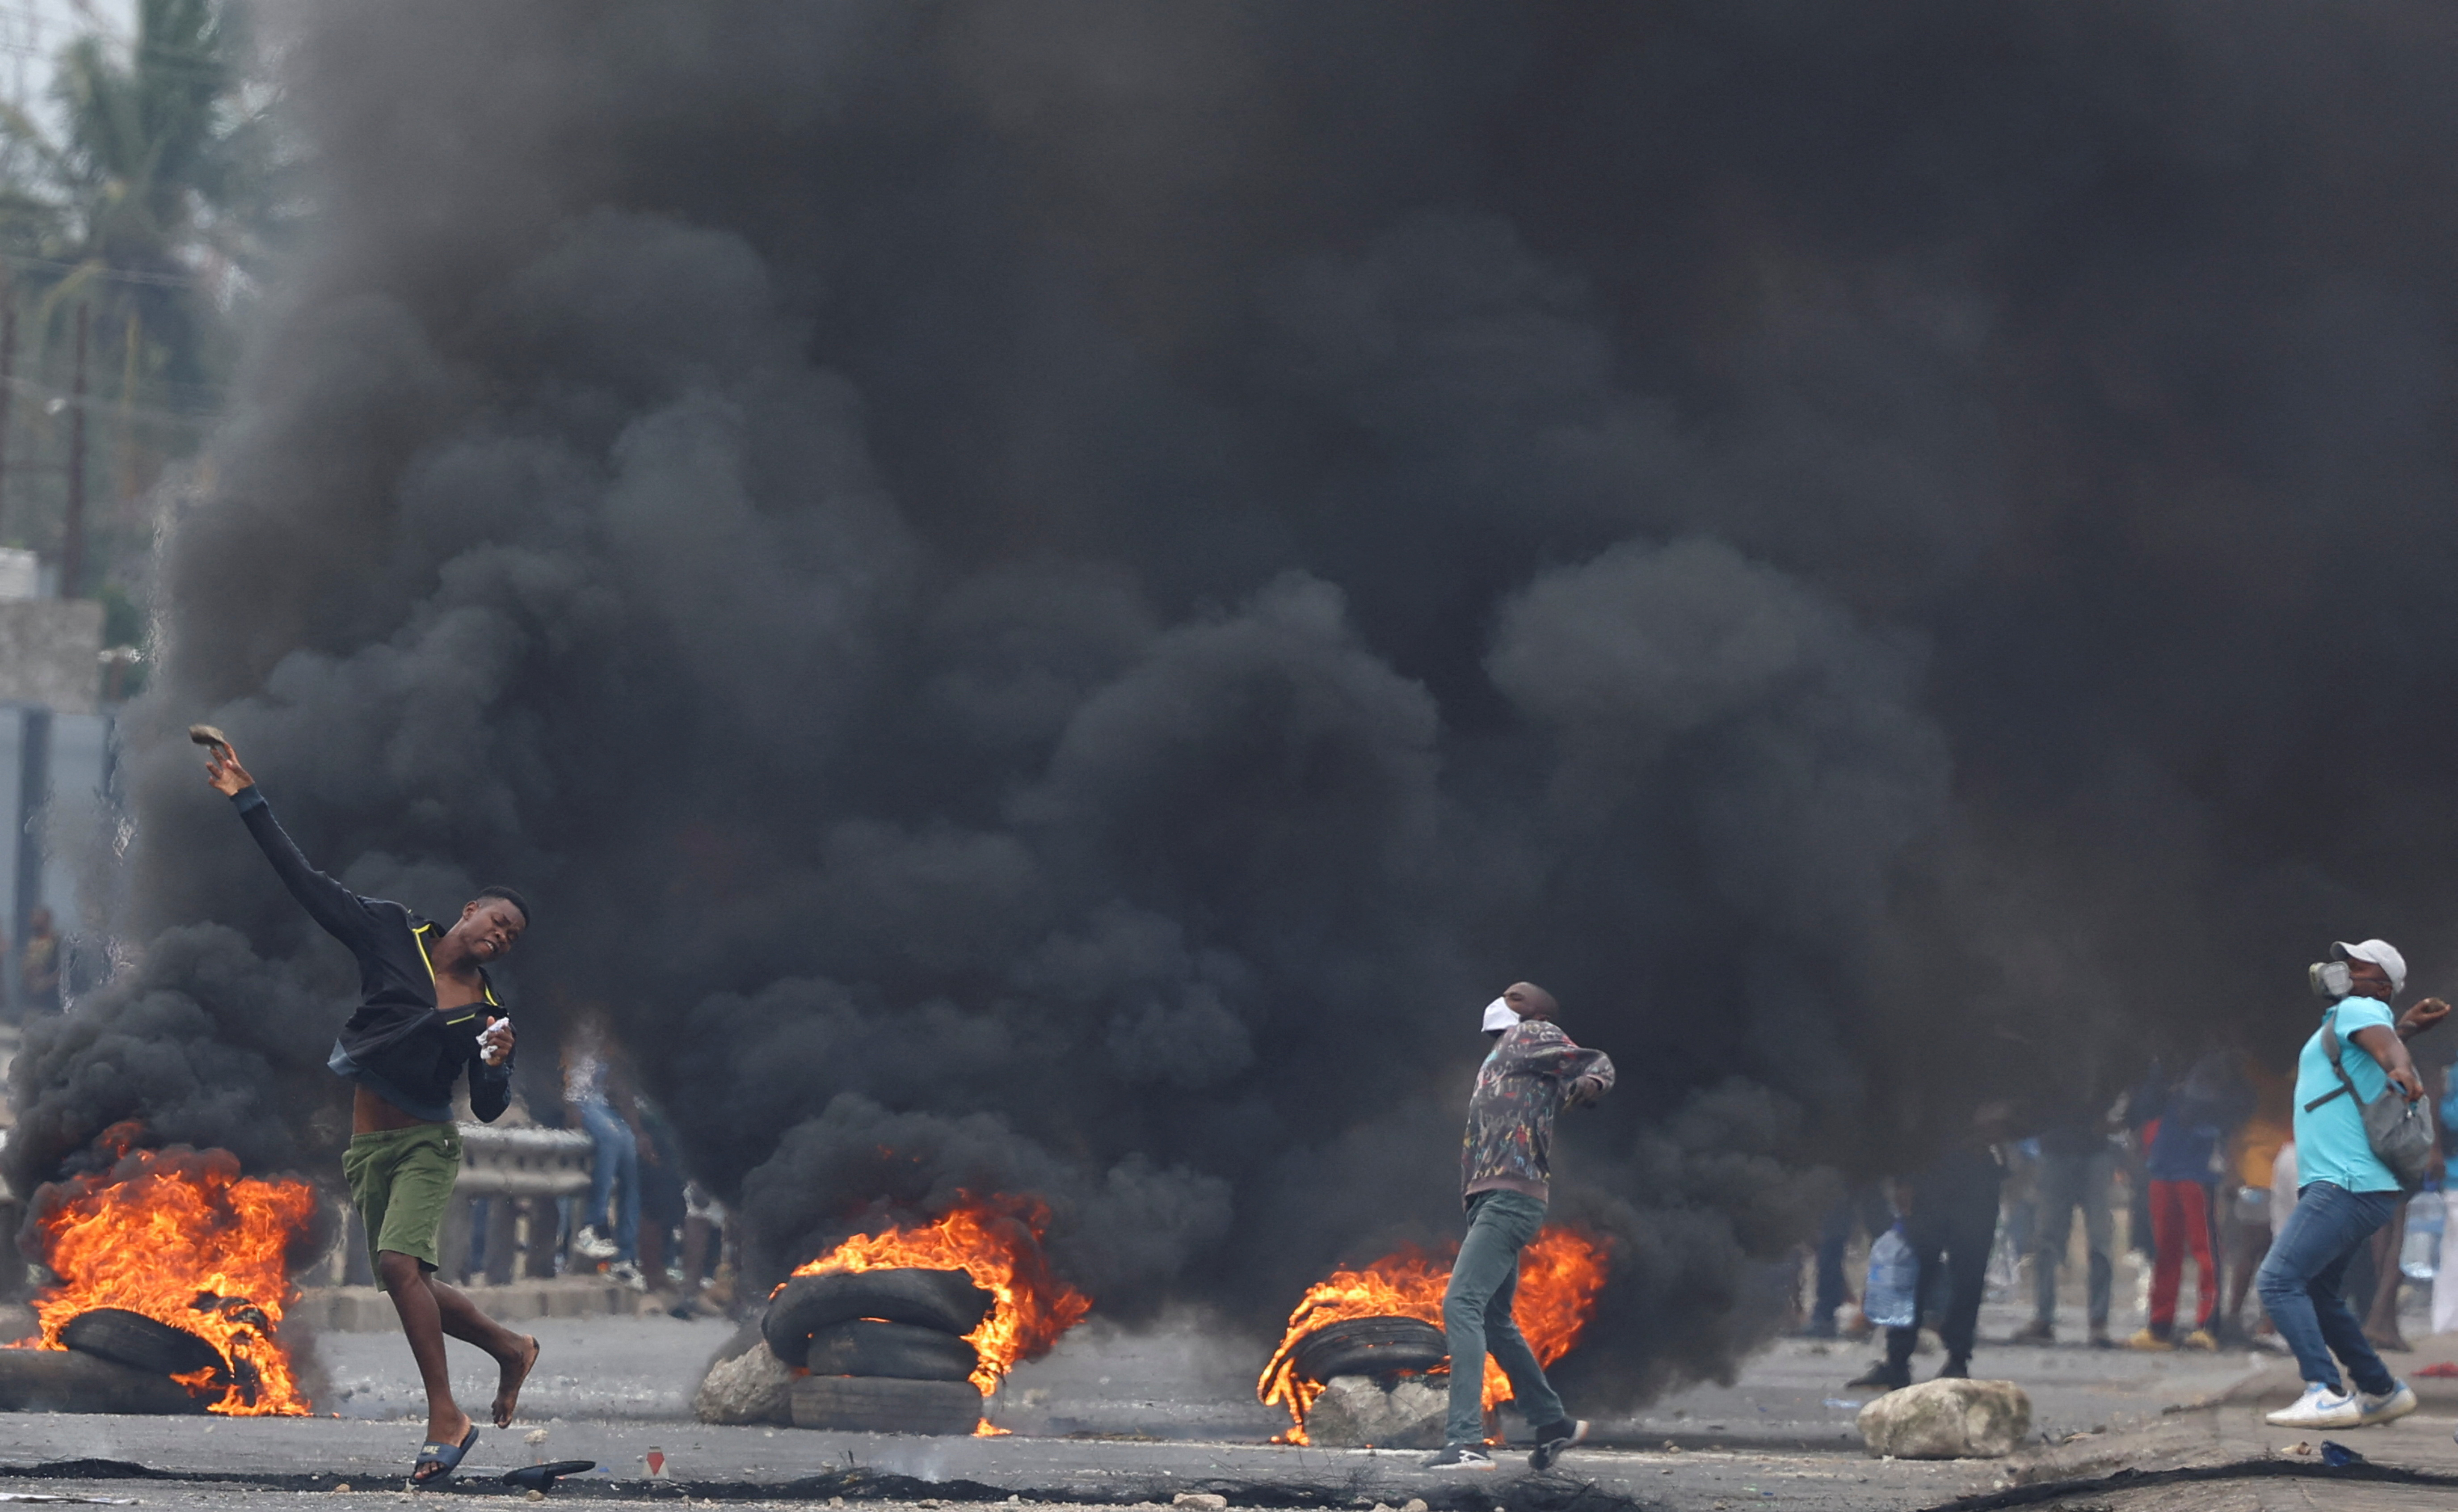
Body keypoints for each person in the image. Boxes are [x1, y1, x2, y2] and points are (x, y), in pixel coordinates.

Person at [206, 738, 541, 1484]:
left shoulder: (490, 1012)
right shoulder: (392, 932)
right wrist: (246, 798)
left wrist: (494, 1063)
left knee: (396, 1265)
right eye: (498, 921)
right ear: (470, 909)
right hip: (369, 1149)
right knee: (409, 1277)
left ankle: (445, 1415)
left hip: (426, 1145)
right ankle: (511, 1348)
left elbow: (488, 1107)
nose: (500, 936)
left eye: (512, 938)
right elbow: (308, 884)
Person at [1423, 981, 1613, 1474]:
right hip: (1493, 1198)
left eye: (1514, 994)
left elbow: (1595, 1062)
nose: (1500, 997)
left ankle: (1466, 1441)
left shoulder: (1529, 1036)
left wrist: (1590, 1084)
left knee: (1460, 1302)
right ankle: (1553, 1422)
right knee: (1492, 1317)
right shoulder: (1505, 1055)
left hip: (1509, 1199)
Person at [2256, 938, 2445, 1430]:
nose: (2340, 968)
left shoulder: (2358, 1008)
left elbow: (2382, 1046)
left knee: (2278, 1279)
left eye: (2355, 964)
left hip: (2343, 1183)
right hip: (2361, 1186)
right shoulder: (2352, 1020)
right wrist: (2403, 1033)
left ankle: (2324, 1390)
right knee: (2318, 1291)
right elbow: (2377, 1043)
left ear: (2380, 985)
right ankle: (2380, 1389)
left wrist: (2400, 1063)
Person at [1847, 1126, 2006, 1390]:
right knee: (1914, 1269)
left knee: (1968, 1271)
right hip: (1930, 1169)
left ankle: (1957, 1359)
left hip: (1975, 1171)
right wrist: (1904, 1178)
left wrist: (2002, 1124)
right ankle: (1899, 1360)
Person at [2127, 1052, 2250, 1350]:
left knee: (2205, 1248)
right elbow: (2142, 1109)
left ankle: (2208, 1324)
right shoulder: (2161, 1069)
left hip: (2197, 1168)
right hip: (2164, 1165)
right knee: (2165, 1249)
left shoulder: (2215, 1063)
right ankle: (2160, 1324)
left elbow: (2238, 1107)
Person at [2015, 1105, 2117, 1346]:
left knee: (2085, 1240)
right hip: (2066, 1146)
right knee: (2057, 1240)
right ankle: (2054, 1318)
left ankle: (2080, 1320)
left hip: (2080, 1146)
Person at [562, 1015, 646, 1288]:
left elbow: (618, 1082)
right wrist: (571, 1110)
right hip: (578, 1100)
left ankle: (625, 1256)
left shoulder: (608, 1025)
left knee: (629, 1151)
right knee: (610, 1138)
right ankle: (593, 1225)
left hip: (599, 1102)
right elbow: (563, 1073)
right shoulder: (569, 1021)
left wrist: (636, 1128)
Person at [19, 906, 59, 1013]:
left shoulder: (56, 941)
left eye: (38, 916)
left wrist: (47, 982)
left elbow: (61, 970)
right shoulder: (32, 942)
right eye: (33, 917)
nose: (34, 920)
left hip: (49, 996)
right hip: (31, 996)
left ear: (47, 919)